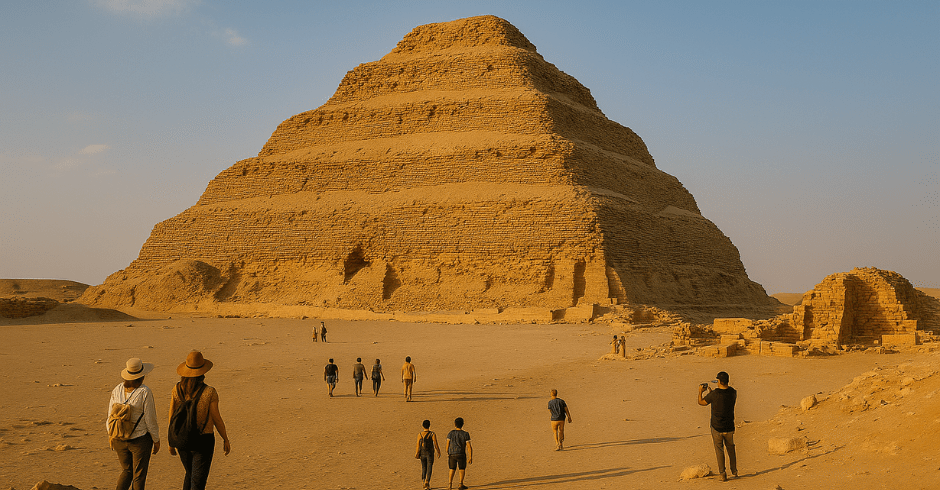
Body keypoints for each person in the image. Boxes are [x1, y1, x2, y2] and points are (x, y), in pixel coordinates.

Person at [168, 351, 231, 490]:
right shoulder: (209, 392)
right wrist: (225, 438)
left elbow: (172, 416)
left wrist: (171, 442)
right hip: (203, 441)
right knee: (198, 481)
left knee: (190, 474)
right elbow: (216, 419)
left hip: (182, 440)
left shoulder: (177, 389)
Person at [108, 358, 160, 490]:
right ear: (141, 376)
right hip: (139, 439)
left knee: (126, 471)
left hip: (119, 438)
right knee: (139, 475)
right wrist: (156, 439)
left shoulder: (117, 389)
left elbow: (110, 416)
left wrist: (111, 435)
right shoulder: (144, 392)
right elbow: (150, 419)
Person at [698, 371, 738, 481]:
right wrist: (712, 393)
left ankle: (722, 473)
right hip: (729, 427)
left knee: (719, 450)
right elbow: (723, 399)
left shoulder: (714, 394)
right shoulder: (733, 392)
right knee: (731, 448)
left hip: (717, 427)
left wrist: (701, 391)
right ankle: (734, 470)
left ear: (719, 381)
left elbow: (701, 402)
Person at [445, 417, 472, 490]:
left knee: (452, 469)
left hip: (452, 454)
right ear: (462, 424)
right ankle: (460, 484)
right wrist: (470, 457)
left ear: (455, 424)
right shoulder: (465, 434)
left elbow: (447, 445)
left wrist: (448, 452)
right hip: (461, 454)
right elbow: (469, 446)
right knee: (462, 468)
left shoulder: (450, 433)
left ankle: (450, 484)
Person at [415, 419, 441, 489]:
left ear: (423, 426)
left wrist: (416, 453)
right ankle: (427, 482)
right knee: (429, 467)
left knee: (423, 467)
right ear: (429, 426)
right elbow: (435, 444)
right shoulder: (432, 434)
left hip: (422, 453)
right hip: (430, 453)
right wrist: (438, 451)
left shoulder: (420, 434)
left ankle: (423, 482)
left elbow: (418, 445)